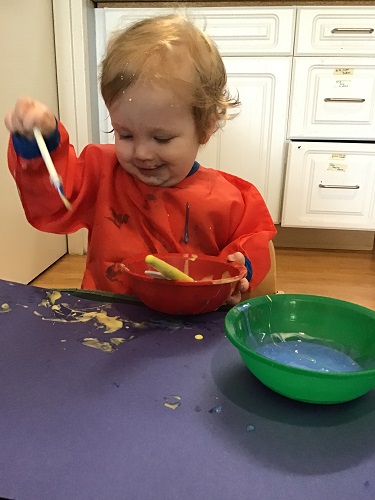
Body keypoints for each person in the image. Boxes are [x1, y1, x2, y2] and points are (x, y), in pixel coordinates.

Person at [4, 13, 276, 306]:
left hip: (188, 326)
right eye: (125, 134)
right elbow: (55, 200)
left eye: (161, 139)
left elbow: (253, 243)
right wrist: (39, 145)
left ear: (206, 127)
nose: (142, 153)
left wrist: (240, 265)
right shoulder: (102, 174)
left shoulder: (232, 200)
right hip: (107, 317)